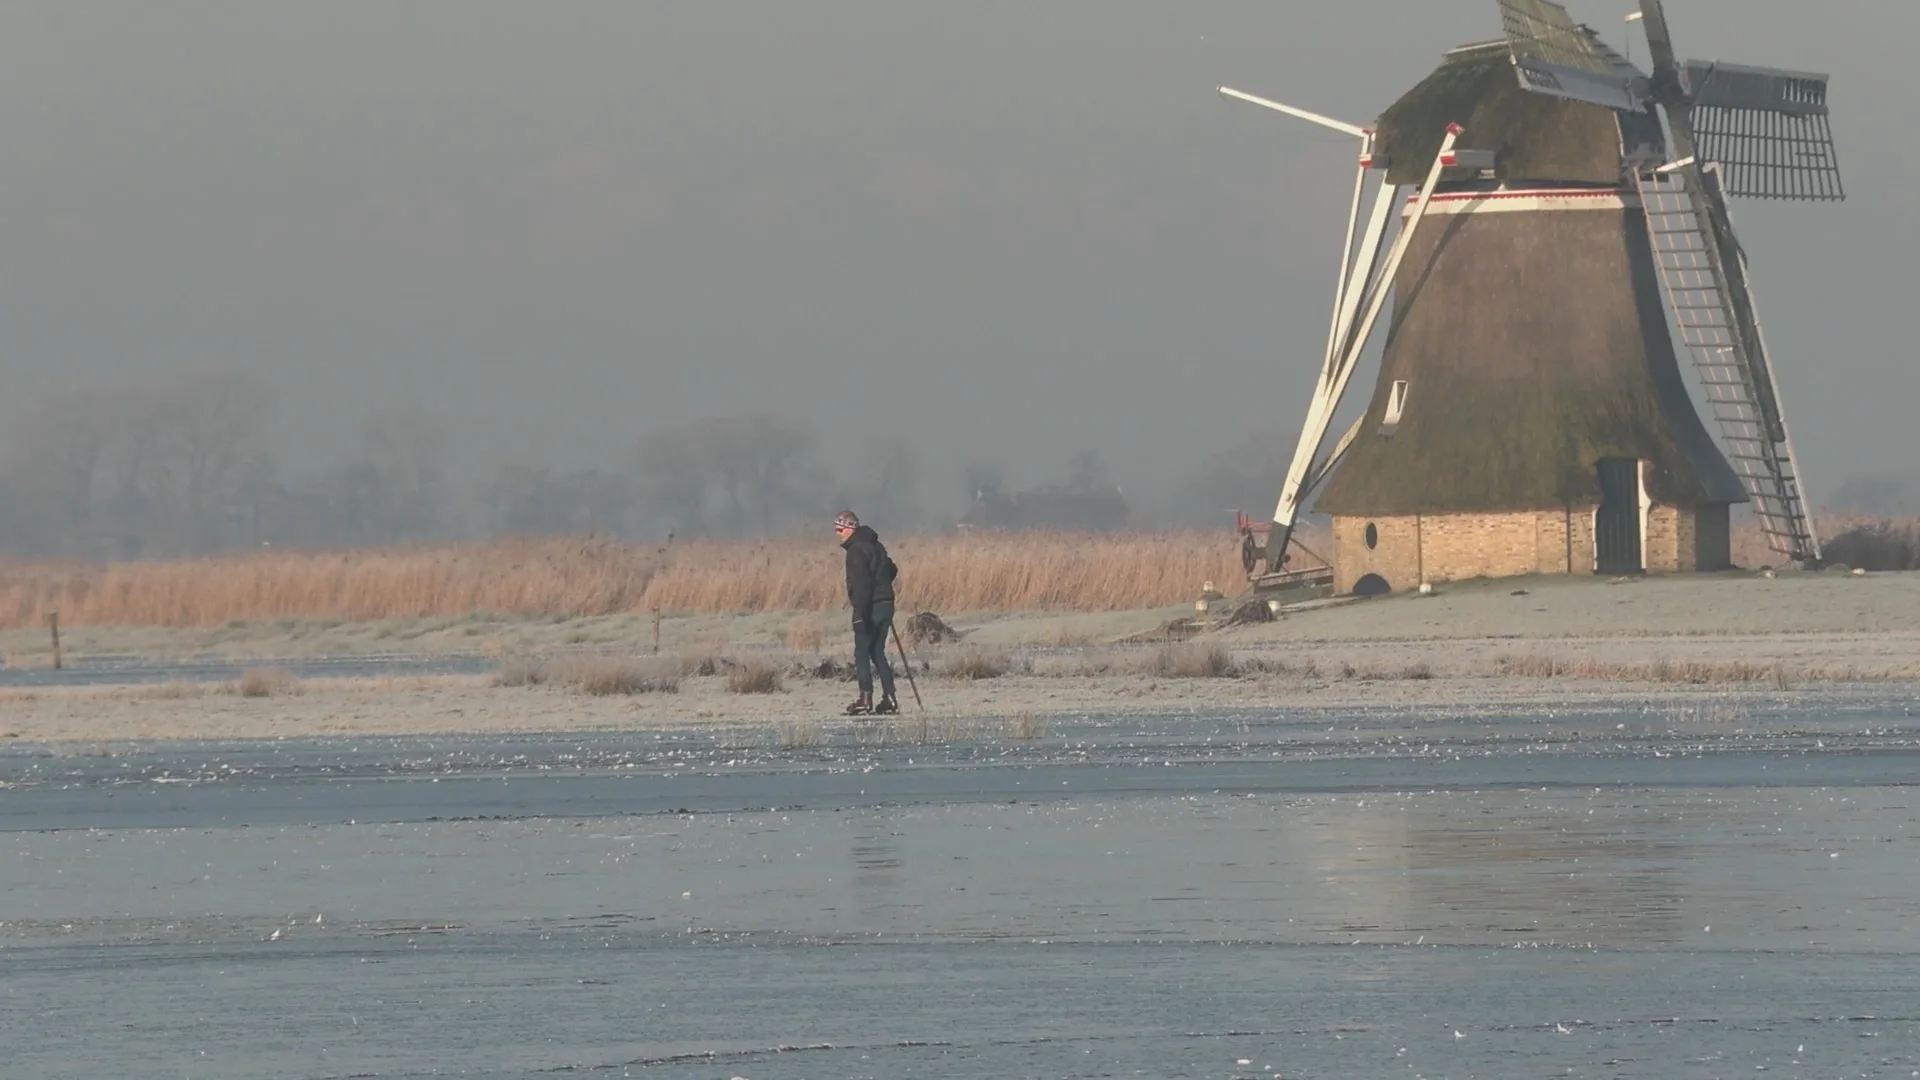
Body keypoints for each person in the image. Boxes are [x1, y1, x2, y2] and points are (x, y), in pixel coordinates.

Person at [835, 509, 898, 715]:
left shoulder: (856, 550)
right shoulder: (876, 546)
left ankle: (865, 697)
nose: (838, 533)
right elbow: (892, 569)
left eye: (840, 529)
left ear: (850, 528)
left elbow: (862, 586)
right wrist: (883, 582)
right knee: (877, 651)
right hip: (887, 603)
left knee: (862, 651)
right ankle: (889, 697)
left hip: (870, 606)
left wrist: (859, 614)